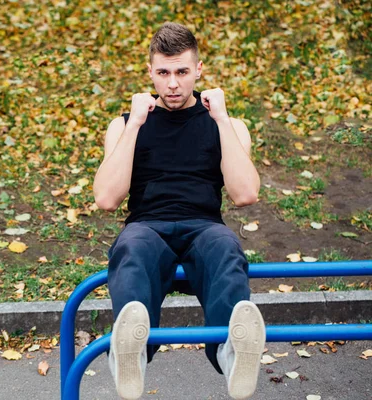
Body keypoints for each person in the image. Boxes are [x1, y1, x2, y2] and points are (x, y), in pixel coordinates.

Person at [93, 22, 266, 400]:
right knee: (131, 246)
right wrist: (136, 122)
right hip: (147, 227)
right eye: (164, 73)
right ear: (150, 72)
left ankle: (232, 355)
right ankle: (130, 357)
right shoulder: (124, 125)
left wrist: (221, 119)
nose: (172, 84)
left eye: (182, 72)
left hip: (204, 227)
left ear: (199, 71)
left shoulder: (228, 124)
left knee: (226, 246)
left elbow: (246, 194)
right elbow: (106, 199)